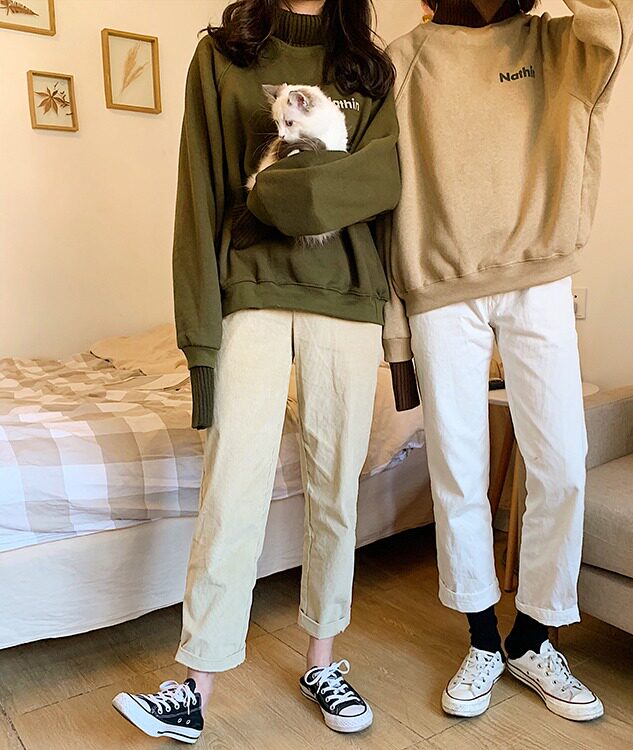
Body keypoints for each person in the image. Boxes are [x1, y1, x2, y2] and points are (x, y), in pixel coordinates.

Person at [111, 0, 399, 743]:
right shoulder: (222, 58)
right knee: (230, 487)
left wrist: (277, 193)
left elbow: (390, 186)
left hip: (348, 299)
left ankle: (322, 661)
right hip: (250, 292)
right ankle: (196, 683)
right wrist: (199, 345)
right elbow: (200, 200)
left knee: (336, 488)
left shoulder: (369, 68)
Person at [383, 0, 633, 722]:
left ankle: (533, 638)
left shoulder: (562, 45)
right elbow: (382, 202)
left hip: (540, 277)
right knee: (458, 471)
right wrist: (395, 334)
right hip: (439, 288)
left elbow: (627, 14)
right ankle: (481, 639)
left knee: (562, 463)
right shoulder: (406, 59)